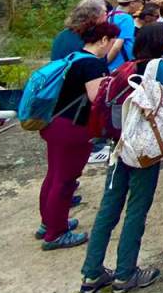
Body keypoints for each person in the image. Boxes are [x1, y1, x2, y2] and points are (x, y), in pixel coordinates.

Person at [78, 23, 163, 293]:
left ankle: (92, 271)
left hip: (119, 143)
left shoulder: (126, 67)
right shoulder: (157, 67)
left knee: (109, 207)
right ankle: (126, 273)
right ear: (159, 40)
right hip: (143, 146)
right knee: (137, 207)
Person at [37, 26, 111, 250]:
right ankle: (56, 234)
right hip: (74, 127)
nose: (111, 47)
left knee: (54, 176)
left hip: (55, 122)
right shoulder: (92, 65)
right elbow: (97, 98)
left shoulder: (73, 58)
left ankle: (49, 222)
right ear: (103, 40)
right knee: (65, 180)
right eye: (111, 41)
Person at [109, 0, 144, 70]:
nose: (141, 4)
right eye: (140, 1)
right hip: (121, 65)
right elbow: (117, 45)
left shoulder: (111, 14)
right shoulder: (126, 19)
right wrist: (107, 61)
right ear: (132, 3)